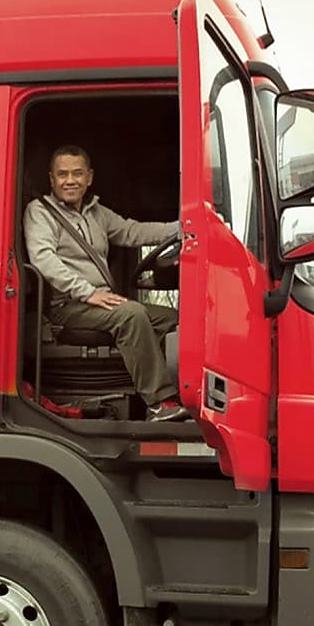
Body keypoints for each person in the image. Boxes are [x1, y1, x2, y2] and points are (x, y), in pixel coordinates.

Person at [23, 144, 188, 423]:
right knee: (132, 315)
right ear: (51, 179)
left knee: (175, 319)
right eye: (62, 174)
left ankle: (188, 396)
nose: (70, 180)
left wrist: (183, 226)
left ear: (89, 177)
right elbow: (43, 260)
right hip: (67, 305)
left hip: (100, 301)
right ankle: (160, 403)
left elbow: (133, 231)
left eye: (77, 173)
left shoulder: (96, 211)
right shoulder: (40, 212)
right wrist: (88, 293)